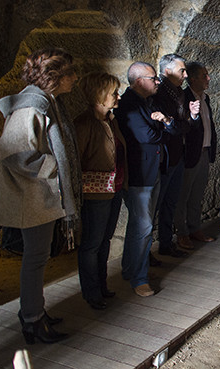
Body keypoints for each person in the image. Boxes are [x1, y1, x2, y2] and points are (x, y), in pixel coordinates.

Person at [0, 48, 82, 344]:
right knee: (35, 258)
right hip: (34, 198)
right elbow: (16, 154)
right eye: (70, 73)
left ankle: (34, 311)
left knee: (37, 257)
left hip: (41, 197)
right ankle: (32, 321)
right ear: (54, 77)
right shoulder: (31, 106)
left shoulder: (47, 102)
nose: (74, 78)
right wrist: (54, 169)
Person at [115, 62, 177, 297]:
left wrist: (164, 124)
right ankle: (139, 279)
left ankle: (130, 270)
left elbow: (166, 130)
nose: (158, 82)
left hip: (153, 170)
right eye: (154, 78)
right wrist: (162, 125)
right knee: (143, 227)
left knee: (139, 227)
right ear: (140, 81)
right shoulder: (129, 105)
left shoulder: (147, 102)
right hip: (140, 174)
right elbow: (147, 135)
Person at [74, 72, 127, 310]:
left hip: (113, 188)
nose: (117, 96)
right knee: (91, 243)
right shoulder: (85, 123)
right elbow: (76, 160)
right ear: (99, 95)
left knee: (104, 240)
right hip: (95, 192)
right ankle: (91, 292)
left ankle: (102, 285)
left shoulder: (111, 120)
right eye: (113, 92)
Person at [153, 54, 200, 257]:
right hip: (164, 158)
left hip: (178, 155)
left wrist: (191, 117)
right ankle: (146, 252)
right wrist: (180, 123)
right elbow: (171, 128)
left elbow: (184, 126)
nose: (185, 74)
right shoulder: (158, 94)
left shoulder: (180, 93)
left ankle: (166, 243)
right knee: (156, 206)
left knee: (170, 203)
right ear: (166, 71)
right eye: (182, 70)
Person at [173, 61, 217, 250]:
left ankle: (194, 228)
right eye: (204, 75)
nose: (208, 78)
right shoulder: (184, 97)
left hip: (204, 152)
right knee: (183, 196)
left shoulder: (205, 98)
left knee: (197, 195)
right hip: (191, 154)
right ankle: (181, 233)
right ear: (192, 78)